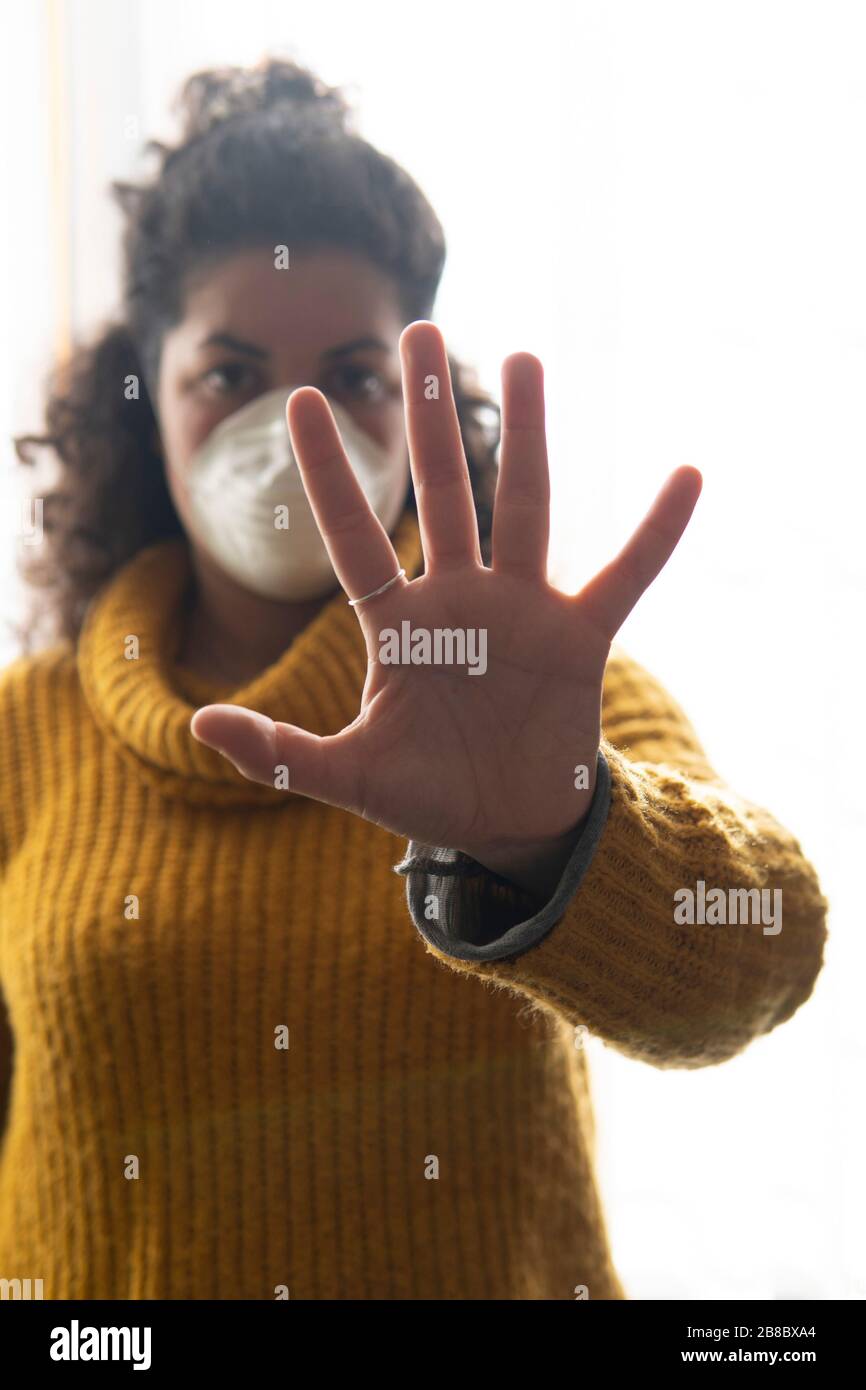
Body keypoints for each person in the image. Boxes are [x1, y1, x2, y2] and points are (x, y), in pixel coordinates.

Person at [0, 57, 827, 1302]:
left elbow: (764, 944)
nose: (298, 428)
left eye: (351, 375)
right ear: (143, 402)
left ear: (426, 398)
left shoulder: (546, 698)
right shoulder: (27, 734)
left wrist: (555, 835)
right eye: (229, 373)